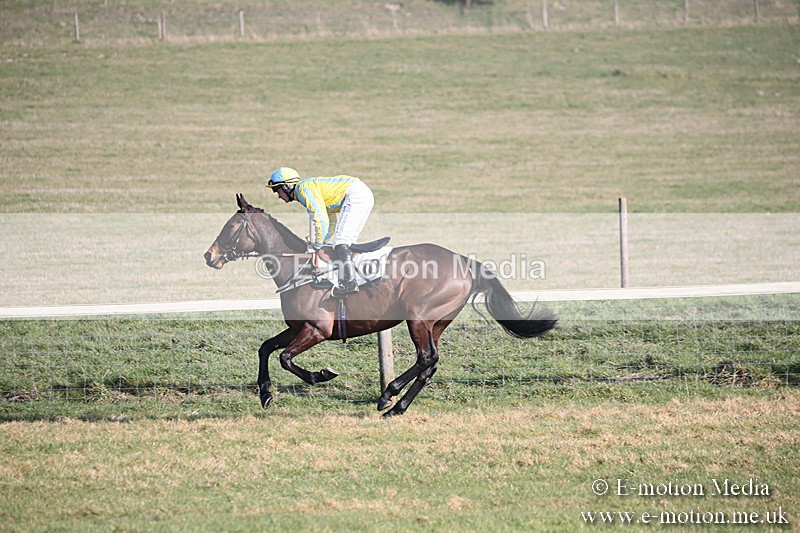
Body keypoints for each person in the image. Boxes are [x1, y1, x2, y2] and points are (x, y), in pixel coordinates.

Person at [266, 167, 375, 297]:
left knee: (341, 242)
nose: (278, 196)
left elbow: (321, 220)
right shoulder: (306, 191)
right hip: (361, 194)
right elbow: (330, 222)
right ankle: (355, 279)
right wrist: (321, 243)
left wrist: (316, 246)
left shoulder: (303, 190)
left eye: (277, 190)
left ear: (287, 187)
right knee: (345, 242)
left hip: (356, 195)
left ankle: (350, 283)